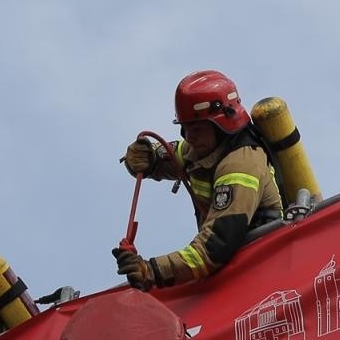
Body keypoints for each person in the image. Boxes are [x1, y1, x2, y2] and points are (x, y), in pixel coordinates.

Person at [115, 69, 284, 290]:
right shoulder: (204, 146)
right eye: (184, 128)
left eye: (196, 128)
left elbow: (215, 246)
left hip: (260, 271)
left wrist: (152, 271)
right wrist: (151, 155)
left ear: (222, 124)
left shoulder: (242, 165)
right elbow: (176, 154)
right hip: (233, 272)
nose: (189, 136)